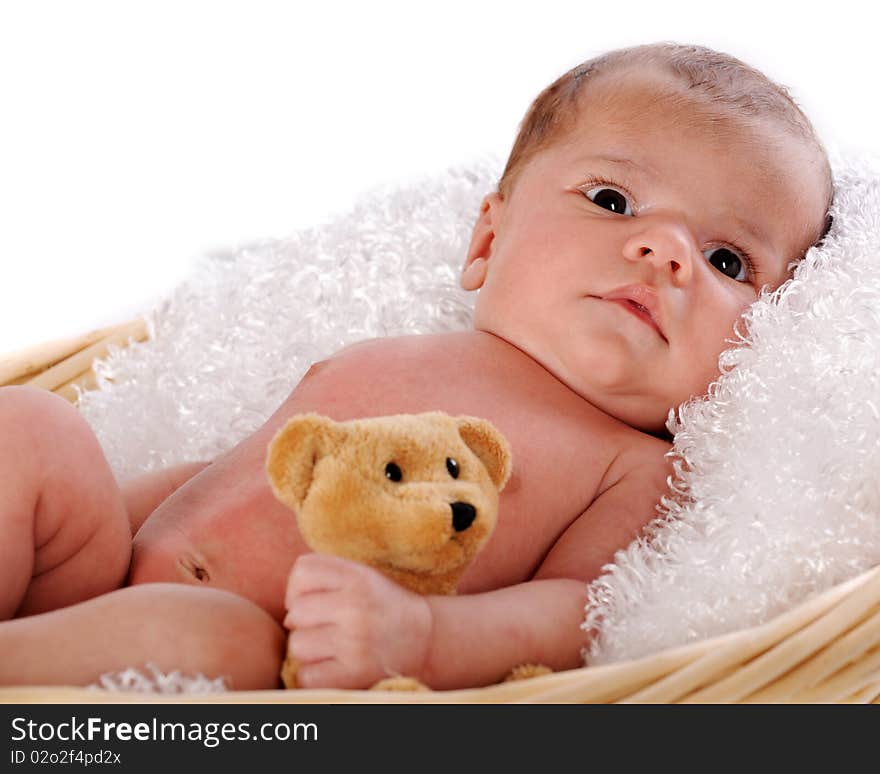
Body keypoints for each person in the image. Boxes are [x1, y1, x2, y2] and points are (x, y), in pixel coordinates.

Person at [0, 43, 832, 691]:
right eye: (614, 202)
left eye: (728, 260)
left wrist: (424, 639)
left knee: (209, 635)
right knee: (37, 427)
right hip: (96, 579)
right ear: (486, 242)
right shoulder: (394, 352)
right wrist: (87, 522)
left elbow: (580, 613)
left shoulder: (634, 464)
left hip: (246, 661)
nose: (665, 251)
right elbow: (232, 471)